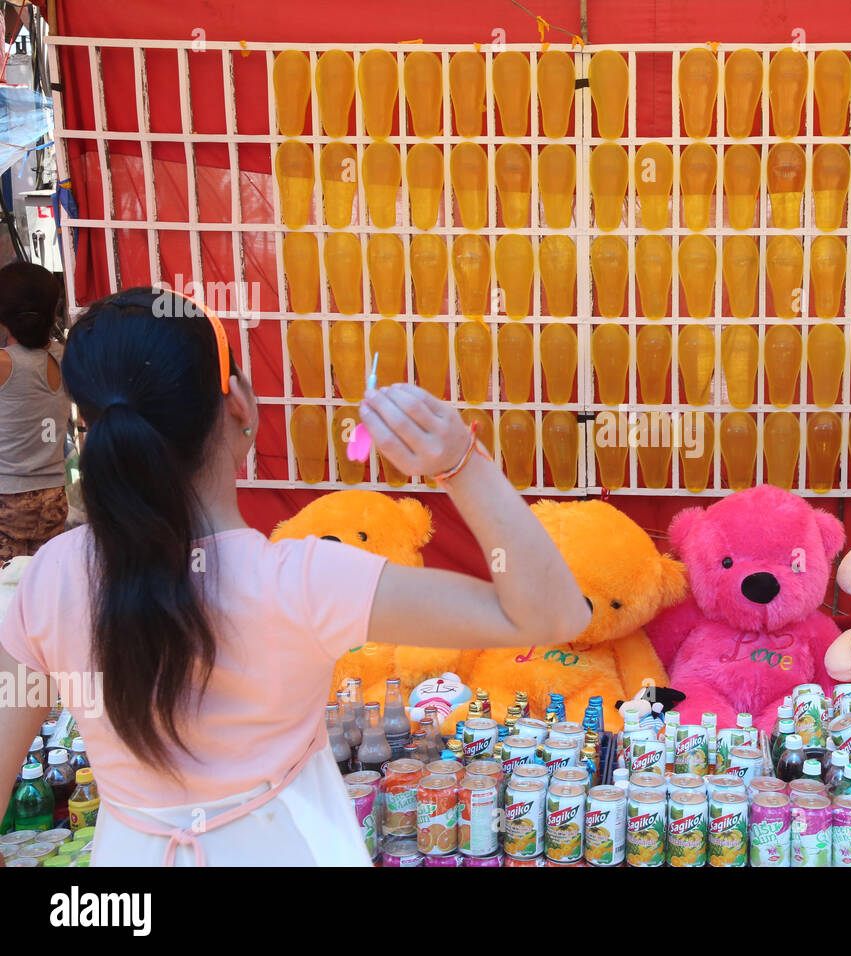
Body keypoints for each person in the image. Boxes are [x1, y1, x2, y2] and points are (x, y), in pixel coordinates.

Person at [0, 288, 592, 866]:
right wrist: (460, 462)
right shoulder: (303, 581)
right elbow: (552, 615)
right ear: (239, 407)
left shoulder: (49, 578)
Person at [0, 261, 71, 563]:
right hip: (54, 496)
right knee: (41, 587)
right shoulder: (66, 356)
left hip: (7, 499)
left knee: (7, 594)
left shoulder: (5, 364)